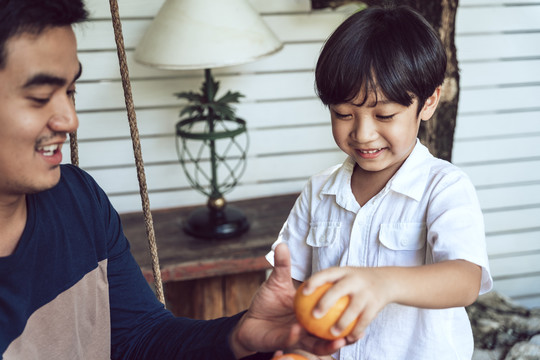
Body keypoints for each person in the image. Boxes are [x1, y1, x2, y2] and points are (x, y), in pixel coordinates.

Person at [0, 1, 348, 359]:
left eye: (71, 92)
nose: (69, 120)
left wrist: (240, 337)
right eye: (40, 98)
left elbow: (140, 338)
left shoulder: (77, 199)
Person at [267, 5, 493, 360]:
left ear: (429, 102)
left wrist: (383, 283)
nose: (362, 133)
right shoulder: (318, 191)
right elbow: (294, 286)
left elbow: (466, 280)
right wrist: (297, 344)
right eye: (343, 114)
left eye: (384, 114)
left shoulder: (444, 187)